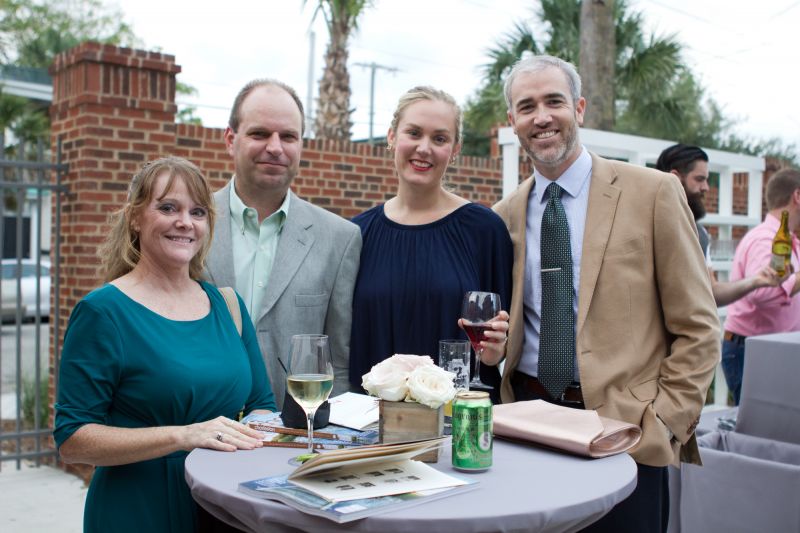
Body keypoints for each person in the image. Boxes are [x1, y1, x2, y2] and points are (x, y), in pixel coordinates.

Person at [490, 55, 720, 532]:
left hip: (626, 431)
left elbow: (698, 326)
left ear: (580, 108)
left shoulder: (653, 192)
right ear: (513, 122)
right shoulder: (504, 215)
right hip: (528, 426)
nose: (542, 117)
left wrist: (665, 421)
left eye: (554, 101)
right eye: (526, 106)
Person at [54, 157, 276, 533]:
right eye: (168, 207)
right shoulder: (103, 313)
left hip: (226, 507)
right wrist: (182, 435)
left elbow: (262, 407)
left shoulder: (229, 305)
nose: (185, 222)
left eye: (198, 211)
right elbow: (73, 439)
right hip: (140, 509)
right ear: (136, 217)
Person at [205, 79, 362, 408]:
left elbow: (340, 362)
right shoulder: (191, 225)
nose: (275, 147)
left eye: (288, 136)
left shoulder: (340, 238)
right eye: (260, 133)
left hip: (293, 440)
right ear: (230, 140)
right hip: (195, 429)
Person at [348, 86, 512, 399]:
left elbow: (502, 341)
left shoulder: (485, 230)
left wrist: (496, 350)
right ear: (392, 137)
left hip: (457, 423)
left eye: (439, 138)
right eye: (414, 133)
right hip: (372, 426)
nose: (424, 148)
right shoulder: (357, 234)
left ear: (455, 149)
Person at [656, 144, 780, 306]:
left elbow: (711, 292)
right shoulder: (644, 224)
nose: (706, 187)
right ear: (675, 179)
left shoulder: (700, 234)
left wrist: (756, 280)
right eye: (700, 179)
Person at [722, 168, 800, 404]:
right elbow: (762, 292)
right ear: (797, 196)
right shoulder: (766, 239)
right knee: (758, 431)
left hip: (766, 350)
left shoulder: (785, 236)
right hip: (753, 352)